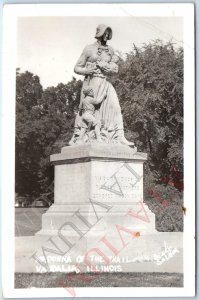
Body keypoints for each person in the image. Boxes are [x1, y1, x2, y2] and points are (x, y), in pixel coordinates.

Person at [69, 24, 134, 146]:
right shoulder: (89, 49)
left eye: (108, 33)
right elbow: (77, 67)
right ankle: (82, 137)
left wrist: (109, 67)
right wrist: (86, 71)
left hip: (105, 82)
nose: (107, 36)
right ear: (100, 33)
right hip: (92, 83)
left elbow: (115, 68)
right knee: (89, 111)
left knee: (116, 107)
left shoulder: (110, 50)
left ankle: (119, 136)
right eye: (105, 33)